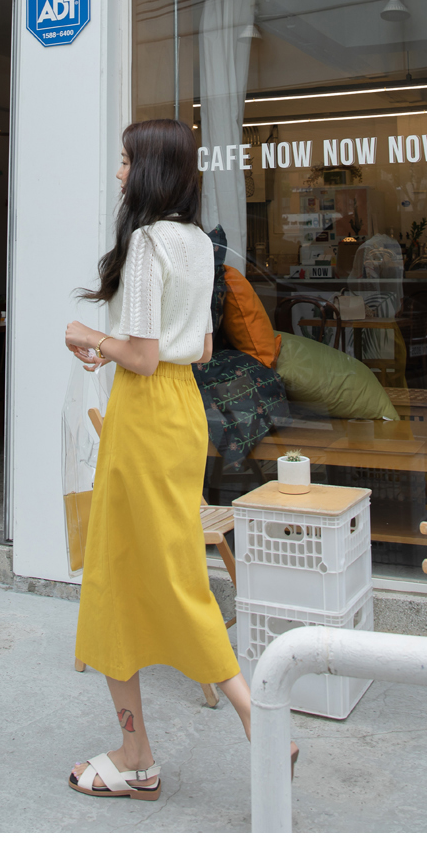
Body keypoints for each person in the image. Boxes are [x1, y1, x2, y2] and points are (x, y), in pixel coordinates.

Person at [64, 118, 298, 801]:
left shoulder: (146, 243)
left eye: (125, 161)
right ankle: (149, 747)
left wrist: (90, 337)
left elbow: (141, 356)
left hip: (144, 413)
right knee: (159, 568)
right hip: (182, 411)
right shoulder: (198, 240)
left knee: (124, 573)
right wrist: (120, 347)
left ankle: (184, 740)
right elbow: (198, 346)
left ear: (150, 169)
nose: (118, 173)